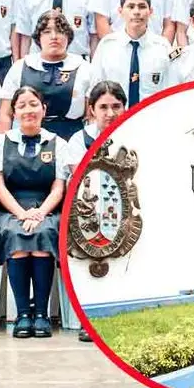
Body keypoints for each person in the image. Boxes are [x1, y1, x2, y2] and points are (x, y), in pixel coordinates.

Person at [0, 86, 68, 338]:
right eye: (22, 106)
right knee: (16, 236)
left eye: (33, 104)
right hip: (10, 209)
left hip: (46, 208)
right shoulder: (1, 142)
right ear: (14, 112)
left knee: (44, 234)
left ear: (44, 109)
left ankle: (41, 313)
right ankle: (22, 314)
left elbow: (58, 187)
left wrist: (39, 213)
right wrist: (22, 214)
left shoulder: (57, 143)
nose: (28, 110)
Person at [64, 80, 127, 343]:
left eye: (116, 106)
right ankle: (89, 316)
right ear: (91, 110)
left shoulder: (132, 134)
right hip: (88, 209)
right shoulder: (80, 139)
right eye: (103, 107)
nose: (110, 113)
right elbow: (80, 176)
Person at [0, 10, 94, 140]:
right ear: (38, 37)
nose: (54, 36)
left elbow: (92, 117)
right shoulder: (20, 67)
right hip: (27, 137)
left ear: (68, 36)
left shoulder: (85, 68)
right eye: (47, 31)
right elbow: (6, 114)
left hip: (72, 139)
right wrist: (4, 147)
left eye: (60, 31)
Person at [91, 0, 173, 108]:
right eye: (131, 7)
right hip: (115, 120)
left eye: (142, 7)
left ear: (150, 12)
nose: (136, 12)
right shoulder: (107, 46)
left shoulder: (163, 48)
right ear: (120, 11)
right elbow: (94, 90)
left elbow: (170, 91)